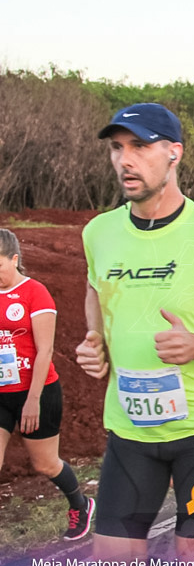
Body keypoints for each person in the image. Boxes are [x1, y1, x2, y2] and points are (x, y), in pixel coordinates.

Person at [75, 103, 194, 563]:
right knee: (113, 561)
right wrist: (94, 338)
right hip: (131, 427)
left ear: (174, 153)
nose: (125, 159)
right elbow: (94, 289)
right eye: (118, 148)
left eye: (140, 146)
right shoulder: (99, 232)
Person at [0, 229, 94, 541]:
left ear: (14, 260)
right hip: (1, 393)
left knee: (45, 464)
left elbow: (45, 351)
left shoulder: (35, 293)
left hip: (36, 392)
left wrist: (32, 399)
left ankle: (80, 504)